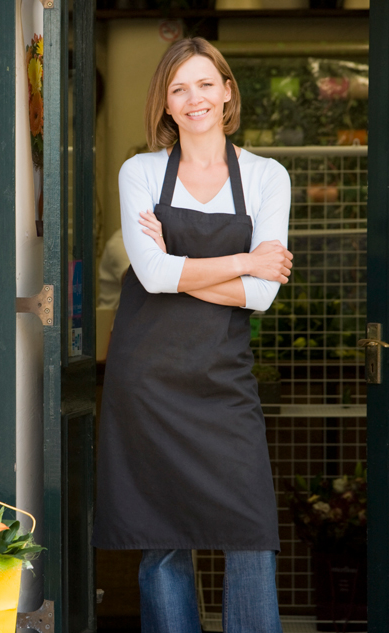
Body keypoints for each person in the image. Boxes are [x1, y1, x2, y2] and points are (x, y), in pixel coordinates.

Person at [92, 37, 293, 633]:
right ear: (166, 104)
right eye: (179, 88)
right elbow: (151, 277)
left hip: (223, 381)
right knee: (163, 540)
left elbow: (261, 296)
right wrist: (244, 260)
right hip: (149, 383)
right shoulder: (141, 173)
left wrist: (184, 268)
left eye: (205, 84)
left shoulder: (265, 176)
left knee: (251, 534)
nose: (194, 98)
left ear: (227, 91)